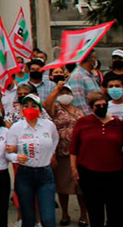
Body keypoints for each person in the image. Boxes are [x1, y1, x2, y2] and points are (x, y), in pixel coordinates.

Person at [70, 92, 123, 227]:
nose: (101, 107)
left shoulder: (117, 123)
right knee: (94, 208)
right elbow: (74, 148)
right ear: (91, 107)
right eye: (97, 105)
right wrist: (73, 168)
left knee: (115, 210)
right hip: (89, 172)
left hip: (115, 172)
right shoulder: (83, 122)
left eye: (104, 105)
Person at [6, 94, 59, 227]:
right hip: (25, 174)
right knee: (28, 217)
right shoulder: (16, 128)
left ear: (40, 109)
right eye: (26, 106)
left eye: (34, 106)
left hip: (45, 174)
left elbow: (55, 140)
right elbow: (8, 153)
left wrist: (50, 154)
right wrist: (17, 157)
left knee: (48, 218)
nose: (30, 109)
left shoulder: (49, 125)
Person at [43, 80, 87, 227]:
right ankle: (65, 213)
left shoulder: (79, 111)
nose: (64, 95)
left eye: (67, 92)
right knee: (62, 186)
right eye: (62, 93)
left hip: (79, 153)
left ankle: (83, 214)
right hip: (62, 153)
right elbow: (47, 104)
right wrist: (58, 88)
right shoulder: (55, 109)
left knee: (80, 187)